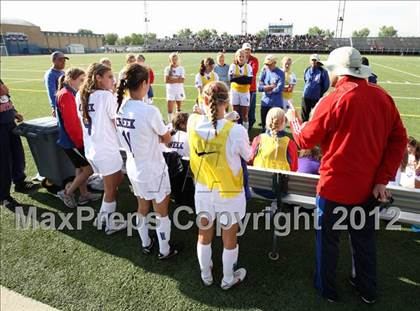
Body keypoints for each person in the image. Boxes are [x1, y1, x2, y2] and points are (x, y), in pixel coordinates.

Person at [286, 47, 407, 304]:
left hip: (334, 187)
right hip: (368, 189)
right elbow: (399, 139)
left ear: (338, 71)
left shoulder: (334, 99)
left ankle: (327, 289)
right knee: (363, 242)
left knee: (327, 242)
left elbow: (305, 138)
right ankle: (367, 289)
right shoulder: (382, 96)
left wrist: (293, 118)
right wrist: (382, 179)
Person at [187, 81, 251, 289]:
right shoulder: (236, 131)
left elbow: (204, 118)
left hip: (203, 189)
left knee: (204, 233)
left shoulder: (192, 122)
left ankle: (206, 274)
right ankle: (227, 278)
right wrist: (231, 120)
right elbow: (248, 156)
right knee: (229, 236)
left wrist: (226, 118)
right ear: (228, 101)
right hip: (229, 192)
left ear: (205, 100)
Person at [116, 63, 180, 259]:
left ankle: (146, 242)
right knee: (162, 212)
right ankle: (164, 250)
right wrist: (164, 134)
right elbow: (167, 139)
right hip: (152, 169)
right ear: (144, 83)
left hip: (134, 168)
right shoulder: (148, 110)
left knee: (142, 208)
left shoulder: (119, 107)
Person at [77, 63, 126, 235]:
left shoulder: (80, 95)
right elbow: (116, 122)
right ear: (98, 78)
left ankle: (104, 214)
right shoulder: (105, 96)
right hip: (106, 149)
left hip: (92, 148)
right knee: (111, 189)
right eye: (110, 77)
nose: (114, 80)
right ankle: (107, 222)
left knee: (118, 178)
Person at [55, 68, 102, 208]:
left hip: (72, 140)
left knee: (80, 169)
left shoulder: (69, 92)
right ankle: (67, 192)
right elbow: (72, 123)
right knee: (89, 169)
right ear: (70, 79)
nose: (83, 83)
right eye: (81, 80)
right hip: (72, 141)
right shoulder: (66, 94)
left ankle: (84, 194)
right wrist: (80, 142)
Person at [0, 79, 37, 208]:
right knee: (4, 162)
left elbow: (6, 99)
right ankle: (4, 196)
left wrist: (14, 112)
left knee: (18, 155)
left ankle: (20, 182)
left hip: (10, 125)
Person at [249, 107, 298, 199]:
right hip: (280, 190)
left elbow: (250, 160)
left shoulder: (259, 139)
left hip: (258, 186)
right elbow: (294, 168)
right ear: (284, 123)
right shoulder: (290, 144)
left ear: (267, 122)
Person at [257, 55, 285, 131]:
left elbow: (280, 88)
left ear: (274, 63)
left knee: (277, 128)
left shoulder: (280, 73)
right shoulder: (264, 71)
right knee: (265, 126)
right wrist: (271, 87)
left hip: (276, 104)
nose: (267, 66)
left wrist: (267, 89)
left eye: (269, 64)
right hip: (265, 103)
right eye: (266, 64)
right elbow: (259, 87)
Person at [229, 49, 253, 130]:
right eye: (240, 56)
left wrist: (237, 77)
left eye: (243, 56)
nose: (241, 58)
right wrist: (243, 78)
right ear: (236, 57)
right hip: (234, 92)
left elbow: (249, 81)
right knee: (234, 113)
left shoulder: (248, 67)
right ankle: (235, 130)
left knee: (245, 114)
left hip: (245, 92)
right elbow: (231, 79)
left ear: (245, 57)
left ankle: (245, 131)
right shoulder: (233, 66)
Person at [301, 54, 330, 122]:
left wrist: (320, 93)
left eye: (315, 60)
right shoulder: (306, 70)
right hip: (306, 96)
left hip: (316, 98)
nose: (314, 62)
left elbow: (326, 85)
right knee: (304, 116)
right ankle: (304, 129)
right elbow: (305, 80)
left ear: (318, 61)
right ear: (310, 61)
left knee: (316, 116)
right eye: (312, 60)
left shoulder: (323, 72)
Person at [44, 51, 68, 117]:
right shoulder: (50, 75)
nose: (63, 62)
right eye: (60, 60)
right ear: (54, 61)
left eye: (64, 60)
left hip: (66, 103)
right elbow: (52, 92)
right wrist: (54, 107)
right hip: (60, 106)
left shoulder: (63, 72)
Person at [242, 43, 259, 131]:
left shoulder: (254, 60)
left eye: (248, 50)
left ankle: (251, 124)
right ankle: (242, 123)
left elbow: (253, 72)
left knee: (251, 108)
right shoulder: (239, 59)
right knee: (242, 107)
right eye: (245, 50)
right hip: (241, 88)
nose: (247, 51)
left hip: (251, 89)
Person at [164, 52, 186, 122]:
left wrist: (171, 79)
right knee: (170, 110)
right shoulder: (167, 69)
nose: (174, 61)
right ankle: (170, 123)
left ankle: (177, 123)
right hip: (170, 91)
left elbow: (182, 80)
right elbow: (166, 80)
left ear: (178, 60)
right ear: (170, 60)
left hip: (179, 91)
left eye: (176, 59)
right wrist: (177, 79)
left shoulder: (181, 69)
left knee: (178, 108)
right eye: (173, 59)